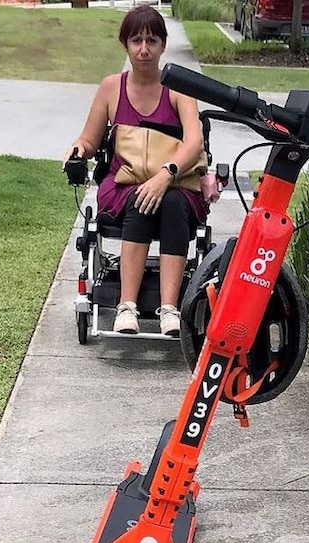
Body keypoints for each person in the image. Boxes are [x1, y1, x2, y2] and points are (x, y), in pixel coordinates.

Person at [63, 6, 208, 337]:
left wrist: (164, 175)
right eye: (136, 40)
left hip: (175, 183)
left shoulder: (179, 88)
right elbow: (89, 138)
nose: (144, 49)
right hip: (125, 183)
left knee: (171, 203)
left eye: (152, 40)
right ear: (125, 44)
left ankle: (169, 310)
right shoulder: (112, 87)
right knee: (140, 200)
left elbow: (194, 140)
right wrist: (78, 150)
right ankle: (126, 306)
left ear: (163, 44)